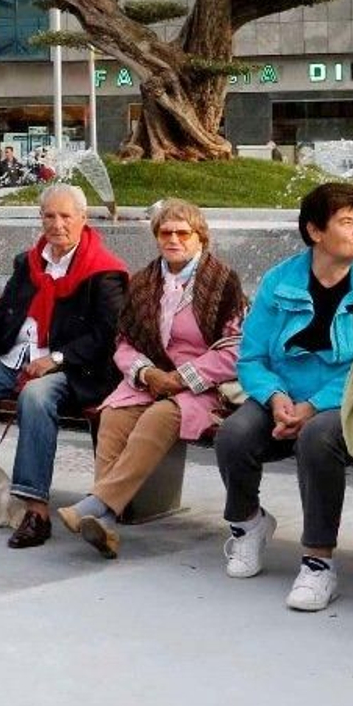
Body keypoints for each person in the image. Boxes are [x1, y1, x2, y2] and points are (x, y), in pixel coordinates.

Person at [0, 184, 127, 548]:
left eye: (66, 216)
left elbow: (106, 334)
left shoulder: (104, 271)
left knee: (35, 397)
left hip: (70, 371)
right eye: (49, 216)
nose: (57, 224)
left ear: (83, 218)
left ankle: (35, 510)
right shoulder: (29, 262)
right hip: (13, 361)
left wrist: (56, 358)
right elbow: (0, 315)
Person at [213, 183, 353, 608]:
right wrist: (275, 398)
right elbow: (251, 357)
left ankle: (318, 562)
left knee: (317, 437)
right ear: (316, 231)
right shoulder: (279, 280)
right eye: (347, 222)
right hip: (281, 396)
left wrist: (314, 405)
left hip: (344, 400)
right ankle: (248, 525)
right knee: (234, 434)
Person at [61, 199, 245, 558]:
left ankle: (99, 506)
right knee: (113, 414)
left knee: (161, 416)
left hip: (203, 384)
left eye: (182, 233)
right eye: (165, 232)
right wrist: (147, 373)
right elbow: (124, 343)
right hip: (151, 378)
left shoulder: (224, 282)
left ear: (199, 238)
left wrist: (181, 378)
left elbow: (234, 349)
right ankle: (107, 521)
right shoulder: (144, 282)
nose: (173, 239)